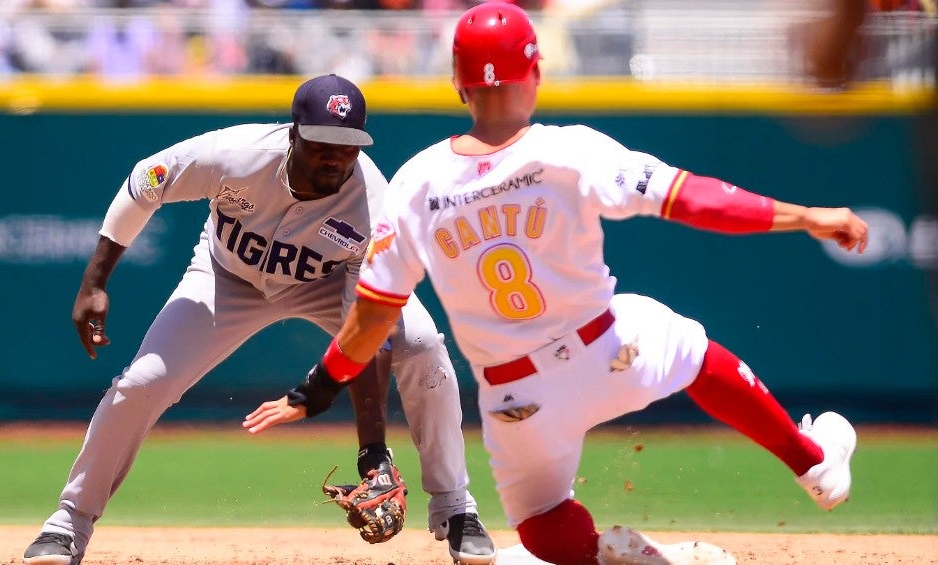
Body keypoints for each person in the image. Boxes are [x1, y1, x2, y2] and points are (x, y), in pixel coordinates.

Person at [242, 4, 869, 564]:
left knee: (541, 527)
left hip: (518, 398)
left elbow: (372, 320)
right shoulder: (570, 150)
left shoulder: (415, 183)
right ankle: (814, 466)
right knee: (697, 356)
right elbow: (691, 199)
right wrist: (804, 216)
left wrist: (315, 389)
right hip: (609, 349)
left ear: (458, 83)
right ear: (535, 73)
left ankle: (612, 556)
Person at [21, 74, 496, 565]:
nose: (335, 156)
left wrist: (371, 450)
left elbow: (367, 326)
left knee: (421, 344)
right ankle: (68, 524)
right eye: (322, 142)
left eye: (348, 145)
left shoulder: (373, 204)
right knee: (142, 382)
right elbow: (145, 182)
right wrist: (95, 282)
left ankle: (456, 508)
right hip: (227, 278)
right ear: (294, 133)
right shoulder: (237, 155)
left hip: (328, 282)